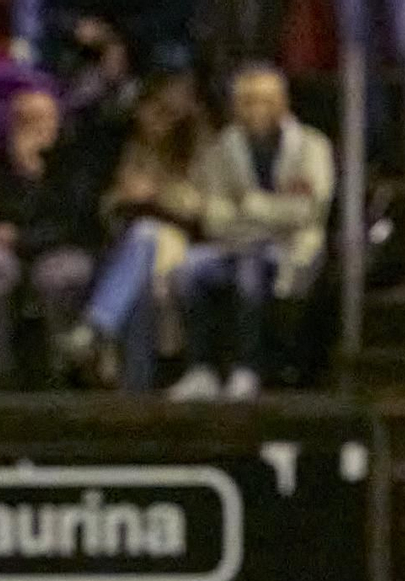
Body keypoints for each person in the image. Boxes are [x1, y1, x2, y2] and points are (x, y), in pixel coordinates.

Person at [167, 65, 332, 401]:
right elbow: (213, 215)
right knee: (186, 270)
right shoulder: (221, 149)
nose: (256, 109)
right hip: (231, 245)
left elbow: (307, 210)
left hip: (291, 247)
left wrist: (252, 206)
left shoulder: (312, 146)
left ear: (282, 103)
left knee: (250, 270)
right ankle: (201, 369)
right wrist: (269, 213)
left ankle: (249, 368)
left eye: (264, 100)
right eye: (247, 101)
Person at [59, 75, 207, 390]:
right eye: (149, 112)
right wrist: (124, 197)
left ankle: (96, 326)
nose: (153, 121)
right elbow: (107, 206)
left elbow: (201, 207)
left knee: (146, 235)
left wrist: (156, 196)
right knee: (139, 276)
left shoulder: (197, 148)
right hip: (133, 247)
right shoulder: (135, 150)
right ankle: (134, 390)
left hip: (186, 242)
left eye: (163, 114)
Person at [0, 89, 95, 388]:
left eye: (43, 119)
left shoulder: (73, 161)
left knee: (55, 275)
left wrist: (38, 178)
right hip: (11, 255)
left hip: (65, 250)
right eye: (25, 120)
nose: (36, 127)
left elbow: (73, 224)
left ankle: (63, 370)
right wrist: (22, 174)